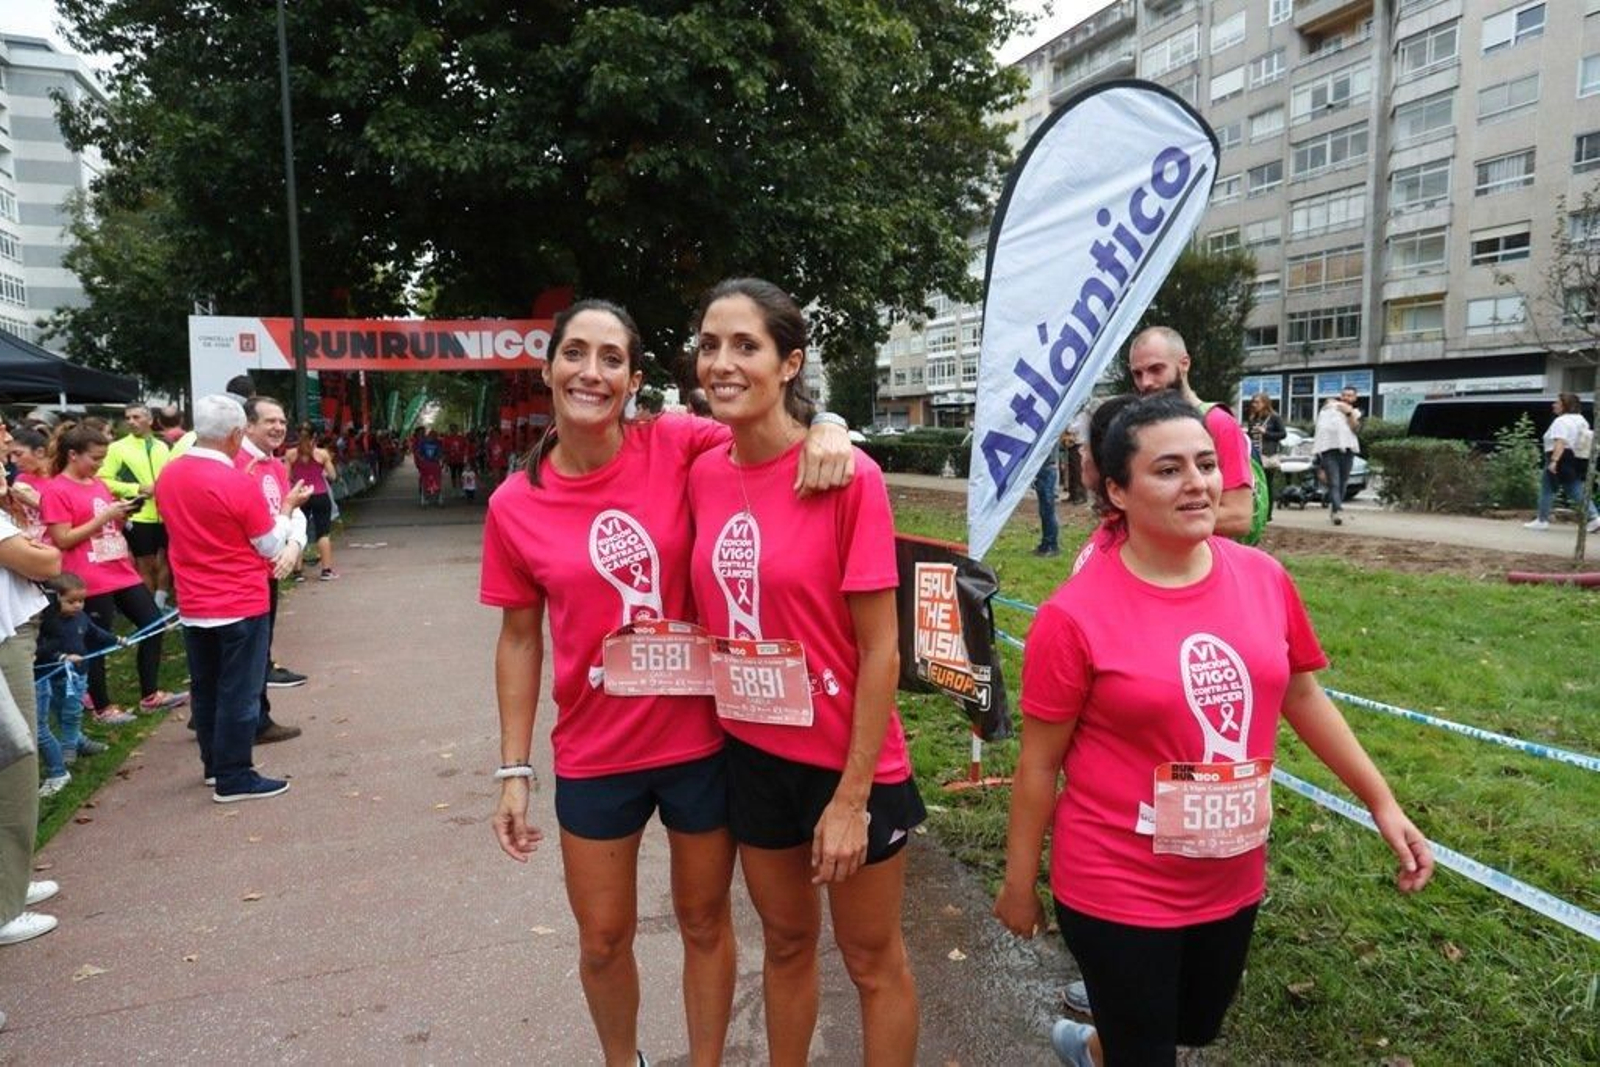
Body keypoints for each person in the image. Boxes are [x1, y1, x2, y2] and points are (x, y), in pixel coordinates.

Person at [994, 392, 1434, 1067]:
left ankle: (1096, 1045)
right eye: (1167, 469)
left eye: (1204, 463)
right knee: (1149, 1050)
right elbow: (1038, 765)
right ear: (1117, 490)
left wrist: (1383, 801)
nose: (1197, 482)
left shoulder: (1264, 578)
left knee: (1192, 1023)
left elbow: (1304, 695)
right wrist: (1019, 882)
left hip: (1231, 874)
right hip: (1116, 879)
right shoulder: (1073, 615)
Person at [483, 298, 855, 1067]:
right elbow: (520, 638)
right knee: (601, 939)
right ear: (547, 368)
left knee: (703, 922)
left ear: (635, 378)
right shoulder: (515, 505)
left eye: (611, 358)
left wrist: (830, 425)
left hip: (700, 741)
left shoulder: (675, 441)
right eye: (575, 354)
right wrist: (515, 768)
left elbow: (769, 428)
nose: (591, 372)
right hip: (595, 750)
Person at [688, 278, 923, 1067]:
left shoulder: (846, 477)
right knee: (786, 945)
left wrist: (853, 799)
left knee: (871, 961)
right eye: (710, 344)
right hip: (753, 756)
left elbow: (881, 649)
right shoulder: (702, 466)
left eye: (745, 345)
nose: (722, 362)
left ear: (789, 364)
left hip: (846, 762)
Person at [156, 395, 305, 802]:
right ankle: (235, 774)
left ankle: (214, 766)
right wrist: (287, 512)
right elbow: (269, 542)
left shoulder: (169, 475)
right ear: (238, 434)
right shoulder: (237, 481)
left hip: (194, 602)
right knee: (240, 691)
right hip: (239, 598)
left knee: (206, 688)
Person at [39, 423, 183, 720]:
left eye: (103, 458)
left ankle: (150, 694)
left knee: (153, 625)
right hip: (88, 576)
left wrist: (120, 514)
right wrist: (104, 516)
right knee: (95, 642)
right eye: (95, 458)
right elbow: (63, 538)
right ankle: (103, 707)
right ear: (73, 455)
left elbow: (105, 524)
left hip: (120, 569)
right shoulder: (56, 490)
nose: (100, 465)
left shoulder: (99, 484)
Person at [0, 447, 63, 948]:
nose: (6, 445)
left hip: (13, 633)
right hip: (4, 643)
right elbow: (44, 559)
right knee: (15, 772)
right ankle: (4, 906)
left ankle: (12, 883)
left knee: (18, 768)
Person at [1127, 327, 1255, 540]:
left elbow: (1239, 517)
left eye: (1156, 369)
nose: (1145, 382)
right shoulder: (1144, 427)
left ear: (1184, 363)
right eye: (1137, 374)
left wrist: (1149, 517)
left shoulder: (1218, 423)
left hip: (1210, 563)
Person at [236, 398, 309, 741]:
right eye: (270, 421)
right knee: (247, 651)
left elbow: (289, 509)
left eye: (282, 421)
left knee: (260, 646)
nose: (279, 427)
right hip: (243, 571)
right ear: (248, 425)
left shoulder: (275, 466)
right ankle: (251, 721)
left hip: (269, 570)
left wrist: (294, 545)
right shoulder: (236, 464)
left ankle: (257, 717)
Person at [33, 572, 115, 795]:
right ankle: (77, 740)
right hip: (56, 675)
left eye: (81, 601)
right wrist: (62, 657)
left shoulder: (81, 618)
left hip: (78, 676)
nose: (78, 606)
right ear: (56, 598)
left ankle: (69, 747)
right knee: (60, 711)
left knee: (73, 711)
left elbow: (96, 633)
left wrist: (118, 640)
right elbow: (44, 649)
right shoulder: (49, 623)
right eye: (71, 601)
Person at [99, 403, 171, 604]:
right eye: (128, 418)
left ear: (149, 420)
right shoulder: (117, 448)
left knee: (166, 560)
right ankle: (151, 611)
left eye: (137, 417)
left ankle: (160, 602)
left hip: (165, 513)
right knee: (145, 562)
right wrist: (136, 489)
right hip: (138, 514)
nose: (131, 421)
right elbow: (103, 480)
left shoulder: (162, 446)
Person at [1524, 392, 1600, 533]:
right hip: (1574, 457)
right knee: (1574, 488)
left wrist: (1554, 461)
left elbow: (1560, 441)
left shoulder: (1561, 421)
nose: (1554, 405)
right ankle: (1594, 517)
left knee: (1548, 489)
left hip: (1559, 456)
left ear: (1565, 405)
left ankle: (1542, 520)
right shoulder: (1581, 419)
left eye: (1557, 402)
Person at [289, 427, 339, 580]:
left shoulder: (291, 454)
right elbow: (333, 476)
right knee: (323, 533)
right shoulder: (322, 454)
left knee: (298, 532)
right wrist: (322, 472)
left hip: (300, 496)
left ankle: (298, 572)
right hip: (320, 495)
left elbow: (286, 477)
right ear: (315, 437)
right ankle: (326, 571)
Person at [1312, 387, 1362, 525]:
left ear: (1355, 398)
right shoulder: (1329, 410)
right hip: (1329, 451)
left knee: (1343, 482)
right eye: (1344, 395)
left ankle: (1334, 509)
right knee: (1334, 482)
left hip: (1348, 450)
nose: (1346, 398)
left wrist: (1349, 413)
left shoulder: (1356, 413)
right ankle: (1338, 509)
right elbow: (1321, 429)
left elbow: (1356, 429)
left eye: (1350, 396)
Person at [1244, 393, 1286, 519]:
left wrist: (1266, 433)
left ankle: (1268, 514)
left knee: (1267, 484)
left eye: (1257, 402)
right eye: (1253, 402)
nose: (1254, 405)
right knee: (1256, 484)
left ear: (1265, 403)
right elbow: (1251, 435)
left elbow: (1283, 434)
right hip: (1255, 456)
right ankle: (1257, 510)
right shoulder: (1253, 418)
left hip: (1268, 455)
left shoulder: (1274, 418)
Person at [1032, 434, 1062, 557]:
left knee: (1048, 510)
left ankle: (1051, 545)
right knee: (1045, 510)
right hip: (1046, 469)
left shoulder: (1050, 431)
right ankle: (1046, 543)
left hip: (1047, 469)